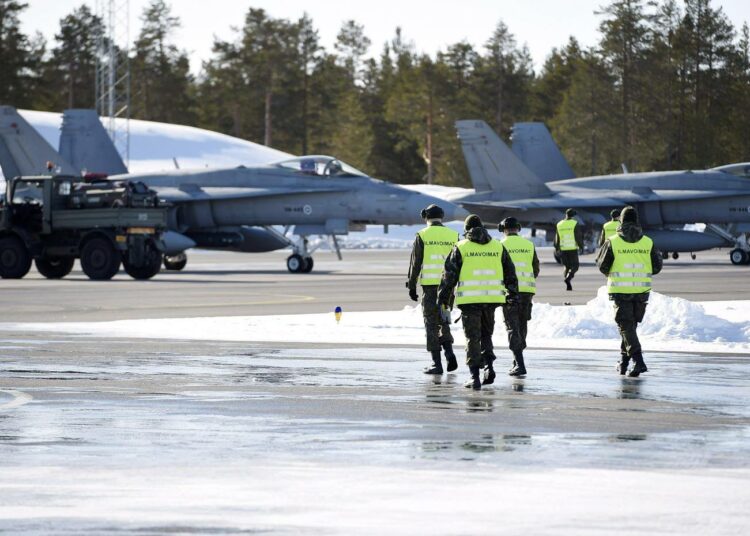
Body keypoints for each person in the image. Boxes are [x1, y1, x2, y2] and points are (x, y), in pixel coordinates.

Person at [438, 214, 518, 390]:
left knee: (472, 338)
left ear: (466, 230)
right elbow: (510, 272)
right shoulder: (498, 246)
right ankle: (489, 366)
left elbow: (448, 277)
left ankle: (474, 376)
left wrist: (443, 299)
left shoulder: (461, 247)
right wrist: (512, 294)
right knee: (486, 335)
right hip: (492, 299)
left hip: (470, 301)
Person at [596, 206, 663, 377]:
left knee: (626, 328)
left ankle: (638, 362)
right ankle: (624, 363)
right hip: (641, 292)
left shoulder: (613, 241)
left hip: (620, 291)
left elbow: (602, 265)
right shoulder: (648, 242)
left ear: (622, 220)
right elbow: (656, 267)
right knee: (629, 328)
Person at [407, 204, 460, 374]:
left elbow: (416, 263)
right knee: (444, 319)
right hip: (448, 286)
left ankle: (436, 364)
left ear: (425, 217)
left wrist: (412, 285)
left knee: (431, 322)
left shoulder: (422, 235)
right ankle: (449, 352)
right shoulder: (454, 235)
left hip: (430, 287)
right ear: (441, 217)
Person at [499, 217, 540, 377]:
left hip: (510, 292)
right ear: (518, 228)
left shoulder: (501, 245)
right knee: (522, 324)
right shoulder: (529, 244)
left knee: (512, 326)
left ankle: (519, 363)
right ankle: (518, 358)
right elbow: (535, 268)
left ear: (503, 229)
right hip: (527, 291)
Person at [554, 208, 583, 291]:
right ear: (573, 215)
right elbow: (578, 236)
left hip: (563, 249)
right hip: (572, 248)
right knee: (575, 266)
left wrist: (556, 247)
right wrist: (581, 246)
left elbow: (557, 237)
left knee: (566, 266)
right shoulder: (574, 223)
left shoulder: (559, 224)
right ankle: (568, 279)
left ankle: (568, 283)